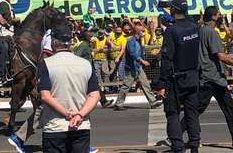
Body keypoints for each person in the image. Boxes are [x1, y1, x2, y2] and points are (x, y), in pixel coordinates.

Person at [181, 6, 233, 149]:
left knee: (227, 108)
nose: (220, 17)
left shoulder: (200, 30)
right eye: (219, 15)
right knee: (197, 109)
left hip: (209, 77)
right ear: (213, 17)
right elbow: (220, 55)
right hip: (212, 77)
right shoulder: (211, 32)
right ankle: (175, 134)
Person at [38, 24, 100, 153]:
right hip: (80, 126)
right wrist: (79, 115)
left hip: (55, 127)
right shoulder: (85, 64)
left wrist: (67, 114)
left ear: (54, 42)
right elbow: (95, 95)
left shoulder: (46, 64)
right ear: (71, 42)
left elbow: (45, 95)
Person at [156, 0, 201, 153]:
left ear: (173, 10)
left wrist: (162, 84)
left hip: (176, 79)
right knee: (192, 113)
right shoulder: (194, 27)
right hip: (193, 76)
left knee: (172, 113)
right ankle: (194, 146)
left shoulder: (172, 30)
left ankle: (178, 147)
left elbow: (167, 59)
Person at [114, 23, 162, 110]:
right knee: (126, 86)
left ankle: (153, 102)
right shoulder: (131, 41)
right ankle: (118, 104)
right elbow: (133, 54)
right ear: (137, 32)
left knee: (145, 84)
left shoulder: (139, 40)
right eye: (142, 31)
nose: (144, 33)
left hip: (138, 67)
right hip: (131, 68)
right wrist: (142, 61)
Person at [74, 30, 114, 108]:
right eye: (90, 36)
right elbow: (77, 56)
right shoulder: (83, 45)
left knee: (95, 85)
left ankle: (103, 101)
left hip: (89, 68)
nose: (92, 38)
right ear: (85, 37)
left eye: (92, 36)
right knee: (91, 85)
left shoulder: (88, 45)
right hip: (84, 69)